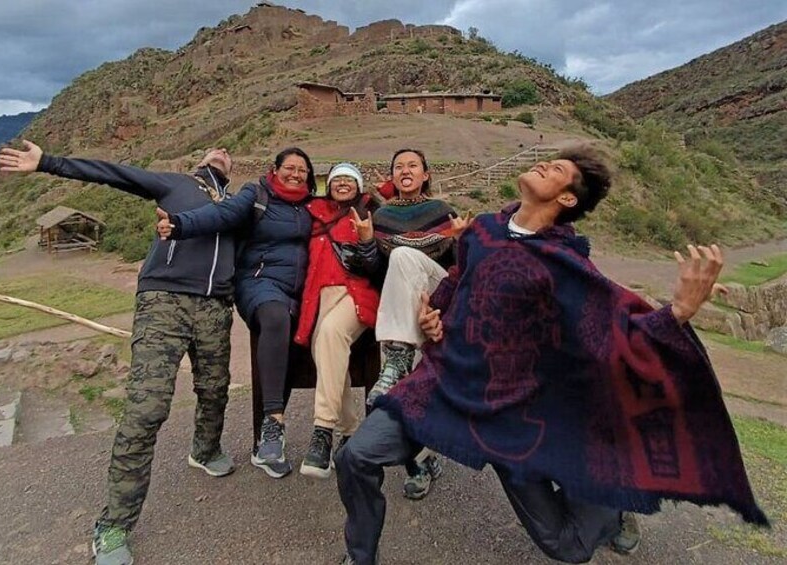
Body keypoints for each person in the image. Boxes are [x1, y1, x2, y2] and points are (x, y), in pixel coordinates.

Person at [335, 145, 768, 565]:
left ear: (567, 198)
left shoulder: (562, 261)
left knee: (569, 547)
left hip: (512, 413)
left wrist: (679, 312)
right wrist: (436, 314)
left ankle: (609, 499)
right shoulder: (482, 230)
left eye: (558, 169)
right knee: (356, 458)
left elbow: (615, 327)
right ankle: (361, 556)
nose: (544, 164)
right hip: (442, 387)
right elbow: (458, 277)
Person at [0, 140, 238, 565]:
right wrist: (47, 163)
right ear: (198, 160)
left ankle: (204, 450)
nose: (220, 152)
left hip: (217, 306)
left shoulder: (236, 204)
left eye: (226, 153)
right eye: (212, 151)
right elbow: (113, 172)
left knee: (216, 389)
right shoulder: (175, 183)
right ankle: (114, 525)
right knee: (147, 409)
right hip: (164, 300)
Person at [156, 147, 315, 479]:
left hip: (299, 291)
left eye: (302, 170)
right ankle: (273, 424)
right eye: (289, 168)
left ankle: (265, 445)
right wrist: (180, 224)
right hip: (259, 283)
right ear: (276, 169)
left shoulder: (310, 207)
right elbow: (221, 214)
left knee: (290, 344)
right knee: (274, 318)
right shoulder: (256, 195)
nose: (295, 174)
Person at [348, 148, 470, 500]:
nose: (405, 170)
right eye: (398, 166)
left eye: (412, 165)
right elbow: (375, 272)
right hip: (404, 306)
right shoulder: (382, 217)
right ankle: (419, 461)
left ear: (425, 174)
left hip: (437, 297)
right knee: (404, 394)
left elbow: (460, 270)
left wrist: (462, 242)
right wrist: (368, 241)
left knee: (402, 255)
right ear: (392, 176)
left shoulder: (443, 212)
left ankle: (397, 359)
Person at [293, 163, 383, 478]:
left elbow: (376, 261)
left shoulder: (370, 211)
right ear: (328, 185)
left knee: (331, 334)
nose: (343, 183)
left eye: (349, 179)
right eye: (337, 179)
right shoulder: (312, 212)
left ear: (359, 185)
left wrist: (367, 239)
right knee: (326, 350)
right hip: (319, 295)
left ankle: (322, 432)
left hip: (356, 292)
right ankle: (351, 431)